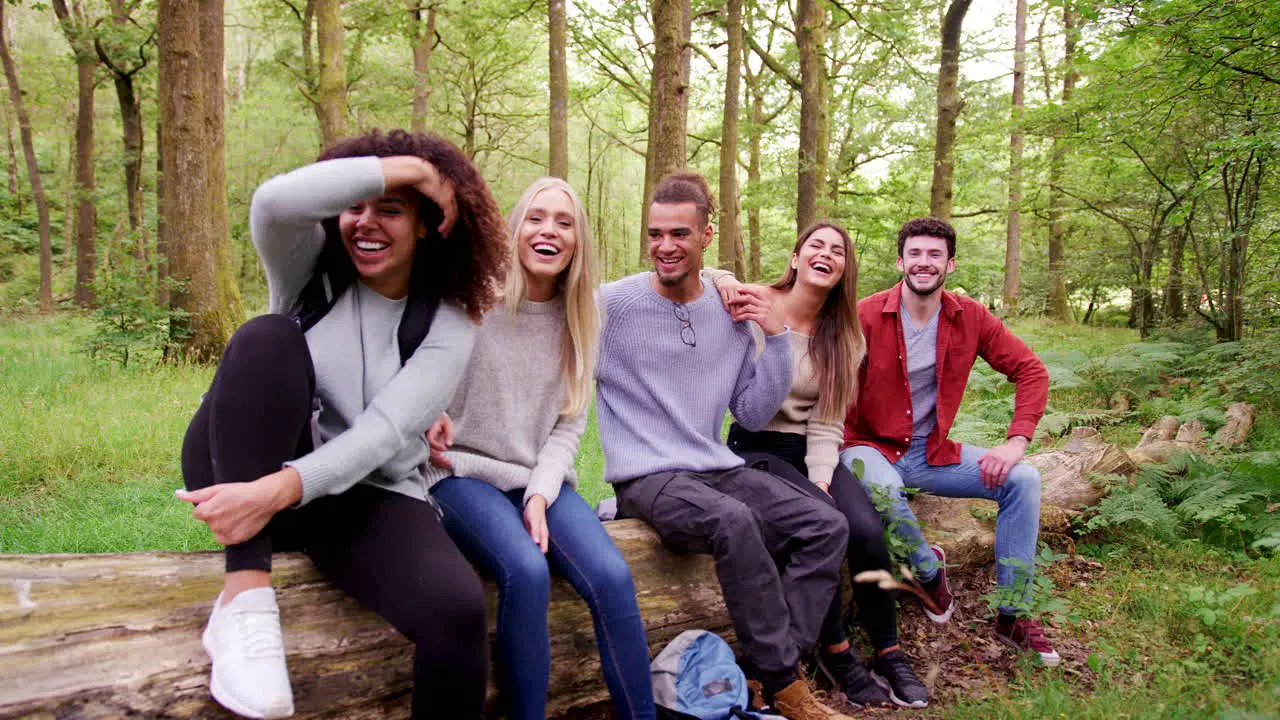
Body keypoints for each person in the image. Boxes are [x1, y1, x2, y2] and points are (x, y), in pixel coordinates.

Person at [176, 129, 508, 719]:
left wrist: (273, 493)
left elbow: (381, 436)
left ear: (430, 226)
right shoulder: (307, 270)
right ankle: (245, 602)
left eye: (392, 210)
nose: (366, 223)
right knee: (266, 337)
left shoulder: (451, 321)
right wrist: (408, 171)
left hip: (356, 488)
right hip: (245, 457)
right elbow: (273, 203)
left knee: (457, 613)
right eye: (355, 206)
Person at [596, 171, 854, 720]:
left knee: (827, 524)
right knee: (734, 521)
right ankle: (788, 686)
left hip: (714, 466)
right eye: (655, 233)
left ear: (706, 234)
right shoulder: (613, 306)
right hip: (649, 476)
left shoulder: (731, 307)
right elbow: (554, 330)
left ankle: (770, 675)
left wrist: (779, 341)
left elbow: (752, 411)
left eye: (679, 234)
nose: (665, 246)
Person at [423, 177, 655, 720]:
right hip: (457, 473)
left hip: (534, 475)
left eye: (564, 221)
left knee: (613, 576)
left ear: (578, 240)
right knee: (525, 572)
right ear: (516, 228)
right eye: (536, 218)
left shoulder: (583, 318)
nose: (548, 230)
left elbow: (570, 424)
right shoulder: (469, 300)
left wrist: (539, 494)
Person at [706, 221, 929, 708]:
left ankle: (889, 649)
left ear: (844, 270)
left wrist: (824, 478)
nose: (826, 254)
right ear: (796, 257)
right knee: (823, 525)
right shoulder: (759, 302)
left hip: (810, 451)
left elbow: (829, 422)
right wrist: (724, 279)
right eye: (816, 246)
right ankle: (837, 649)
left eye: (838, 251)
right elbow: (704, 274)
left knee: (866, 529)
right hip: (755, 448)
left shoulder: (847, 337)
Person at [840, 216, 1059, 666]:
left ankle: (1013, 613)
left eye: (934, 254)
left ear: (950, 264)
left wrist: (1016, 441)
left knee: (1025, 480)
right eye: (915, 253)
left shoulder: (969, 317)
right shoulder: (863, 314)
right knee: (882, 488)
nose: (924, 262)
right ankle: (927, 571)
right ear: (900, 261)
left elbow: (1032, 371)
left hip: (929, 452)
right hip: (865, 445)